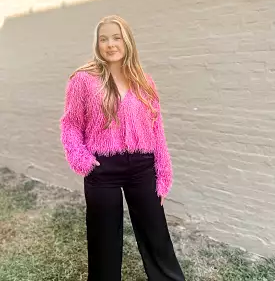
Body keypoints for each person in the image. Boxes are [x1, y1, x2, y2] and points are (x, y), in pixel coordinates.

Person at [60, 15, 185, 281]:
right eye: (103, 39)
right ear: (97, 44)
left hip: (142, 166)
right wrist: (81, 158)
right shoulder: (83, 80)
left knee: (156, 234)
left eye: (116, 37)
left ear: (127, 41)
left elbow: (156, 130)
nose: (110, 44)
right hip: (102, 168)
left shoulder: (144, 82)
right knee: (103, 238)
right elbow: (70, 125)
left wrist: (163, 174)